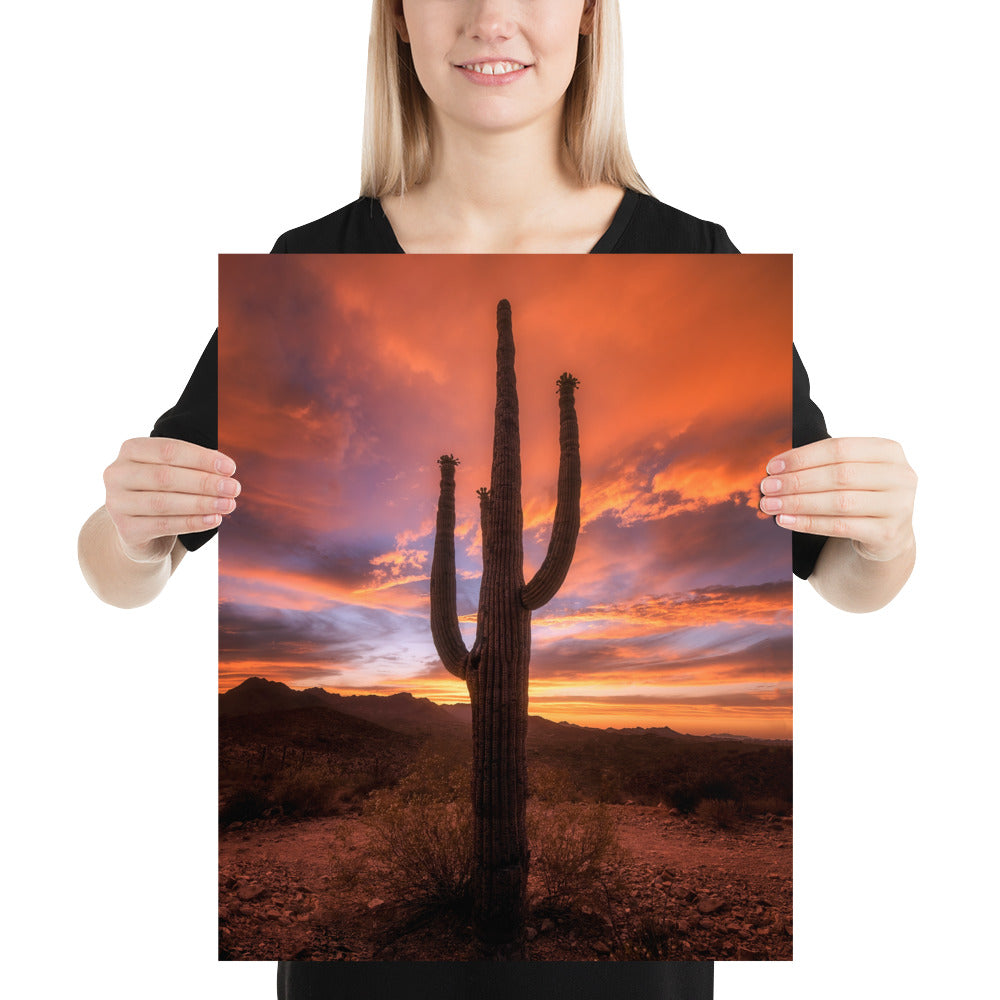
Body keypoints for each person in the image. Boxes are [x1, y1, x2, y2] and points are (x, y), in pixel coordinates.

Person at [77, 0, 917, 997]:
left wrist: (885, 531)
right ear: (395, 19)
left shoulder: (700, 258)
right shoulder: (304, 260)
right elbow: (119, 569)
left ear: (592, 17)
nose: (490, 17)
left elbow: (846, 579)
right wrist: (130, 533)